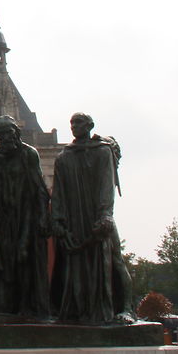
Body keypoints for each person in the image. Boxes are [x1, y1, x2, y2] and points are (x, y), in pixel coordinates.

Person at [50, 112, 134, 324]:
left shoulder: (102, 151)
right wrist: (57, 221)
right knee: (75, 265)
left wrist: (105, 214)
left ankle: (126, 308)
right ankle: (79, 310)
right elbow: (57, 192)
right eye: (72, 123)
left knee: (115, 261)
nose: (74, 127)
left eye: (78, 123)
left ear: (90, 125)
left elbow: (108, 184)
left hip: (99, 216)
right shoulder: (63, 157)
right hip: (74, 218)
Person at [0, 115, 50, 318]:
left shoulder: (29, 154)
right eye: (1, 133)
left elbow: (40, 190)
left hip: (27, 216)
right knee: (4, 269)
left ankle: (30, 309)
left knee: (26, 261)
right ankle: (5, 309)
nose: (5, 136)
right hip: (2, 221)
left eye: (9, 132)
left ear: (17, 132)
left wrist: (43, 217)